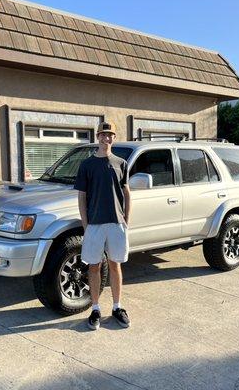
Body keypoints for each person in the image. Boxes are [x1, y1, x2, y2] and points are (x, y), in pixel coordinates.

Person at [74, 121, 131, 330]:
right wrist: (86, 223)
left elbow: (127, 192)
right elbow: (82, 196)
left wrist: (126, 219)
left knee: (116, 265)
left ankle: (117, 307)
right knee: (94, 266)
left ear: (114, 138)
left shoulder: (121, 163)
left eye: (111, 135)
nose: (107, 139)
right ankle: (95, 309)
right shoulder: (87, 165)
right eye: (104, 135)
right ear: (98, 137)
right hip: (95, 224)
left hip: (116, 223)